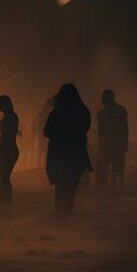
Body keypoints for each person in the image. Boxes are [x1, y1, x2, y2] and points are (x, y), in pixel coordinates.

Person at [43, 83, 92, 213]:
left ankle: (61, 217)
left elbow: (47, 132)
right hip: (77, 156)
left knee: (60, 188)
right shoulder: (83, 111)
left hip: (59, 156)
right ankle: (67, 215)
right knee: (71, 189)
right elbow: (86, 127)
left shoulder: (56, 113)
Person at [96, 89, 129, 189]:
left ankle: (115, 186)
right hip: (113, 142)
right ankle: (116, 185)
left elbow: (124, 127)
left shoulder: (102, 114)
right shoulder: (120, 110)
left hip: (110, 143)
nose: (102, 100)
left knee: (113, 166)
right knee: (116, 166)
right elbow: (125, 127)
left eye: (104, 97)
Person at [33, 97, 53, 168]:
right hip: (43, 135)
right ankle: (41, 166)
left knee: (42, 151)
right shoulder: (45, 114)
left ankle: (40, 165)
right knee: (43, 150)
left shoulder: (41, 114)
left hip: (43, 134)